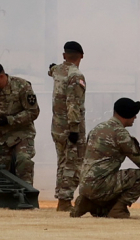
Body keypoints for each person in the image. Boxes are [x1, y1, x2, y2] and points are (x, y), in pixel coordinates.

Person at [71, 98, 140, 219]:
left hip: (84, 184)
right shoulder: (120, 134)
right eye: (134, 114)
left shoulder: (97, 129)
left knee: (104, 211)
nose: (135, 117)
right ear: (127, 114)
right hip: (100, 186)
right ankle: (119, 209)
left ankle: (89, 203)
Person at [0, 61, 39, 185]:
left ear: (1, 76)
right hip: (1, 136)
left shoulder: (22, 86)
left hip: (22, 134)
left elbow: (33, 112)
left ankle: (26, 197)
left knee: (23, 161)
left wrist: (10, 120)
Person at [48, 41, 87, 212]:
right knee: (73, 163)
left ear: (64, 56)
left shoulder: (57, 70)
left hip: (56, 127)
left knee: (62, 162)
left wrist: (52, 68)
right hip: (70, 127)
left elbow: (52, 70)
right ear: (82, 56)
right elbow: (73, 103)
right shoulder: (75, 76)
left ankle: (61, 198)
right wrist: (74, 128)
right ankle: (64, 200)